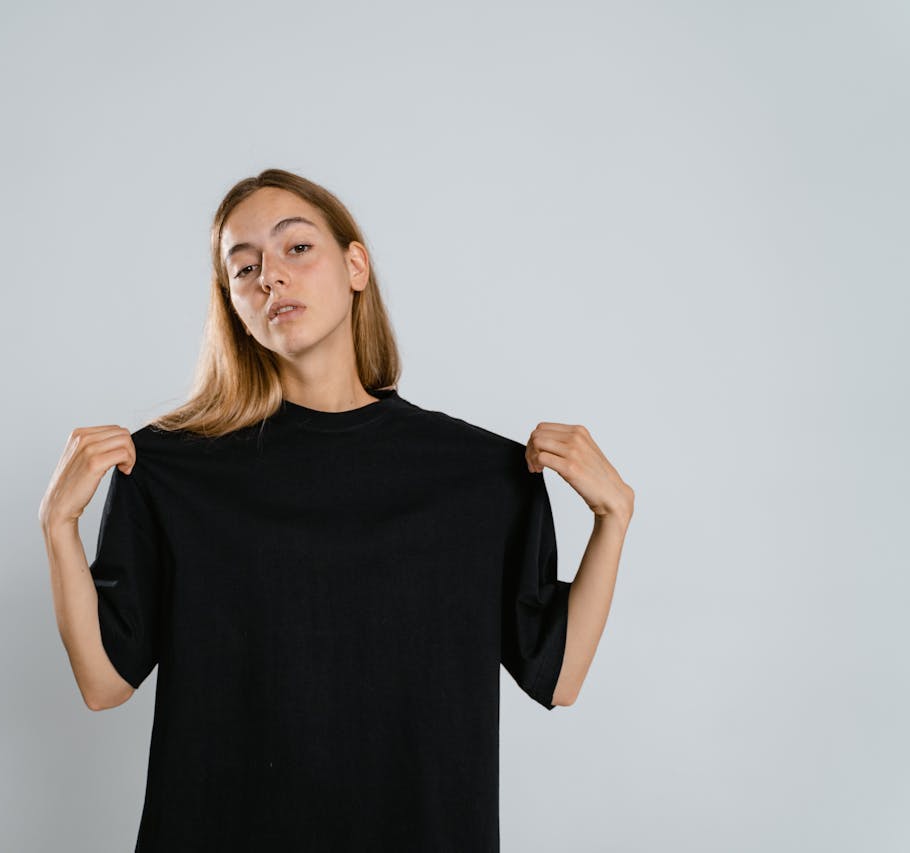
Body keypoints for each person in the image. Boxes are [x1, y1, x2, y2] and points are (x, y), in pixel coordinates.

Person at [38, 168, 633, 851]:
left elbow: (557, 674)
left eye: (296, 248)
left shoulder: (478, 475)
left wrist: (613, 518)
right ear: (232, 303)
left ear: (356, 265)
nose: (270, 278)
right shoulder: (171, 470)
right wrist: (57, 528)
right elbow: (103, 682)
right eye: (244, 268)